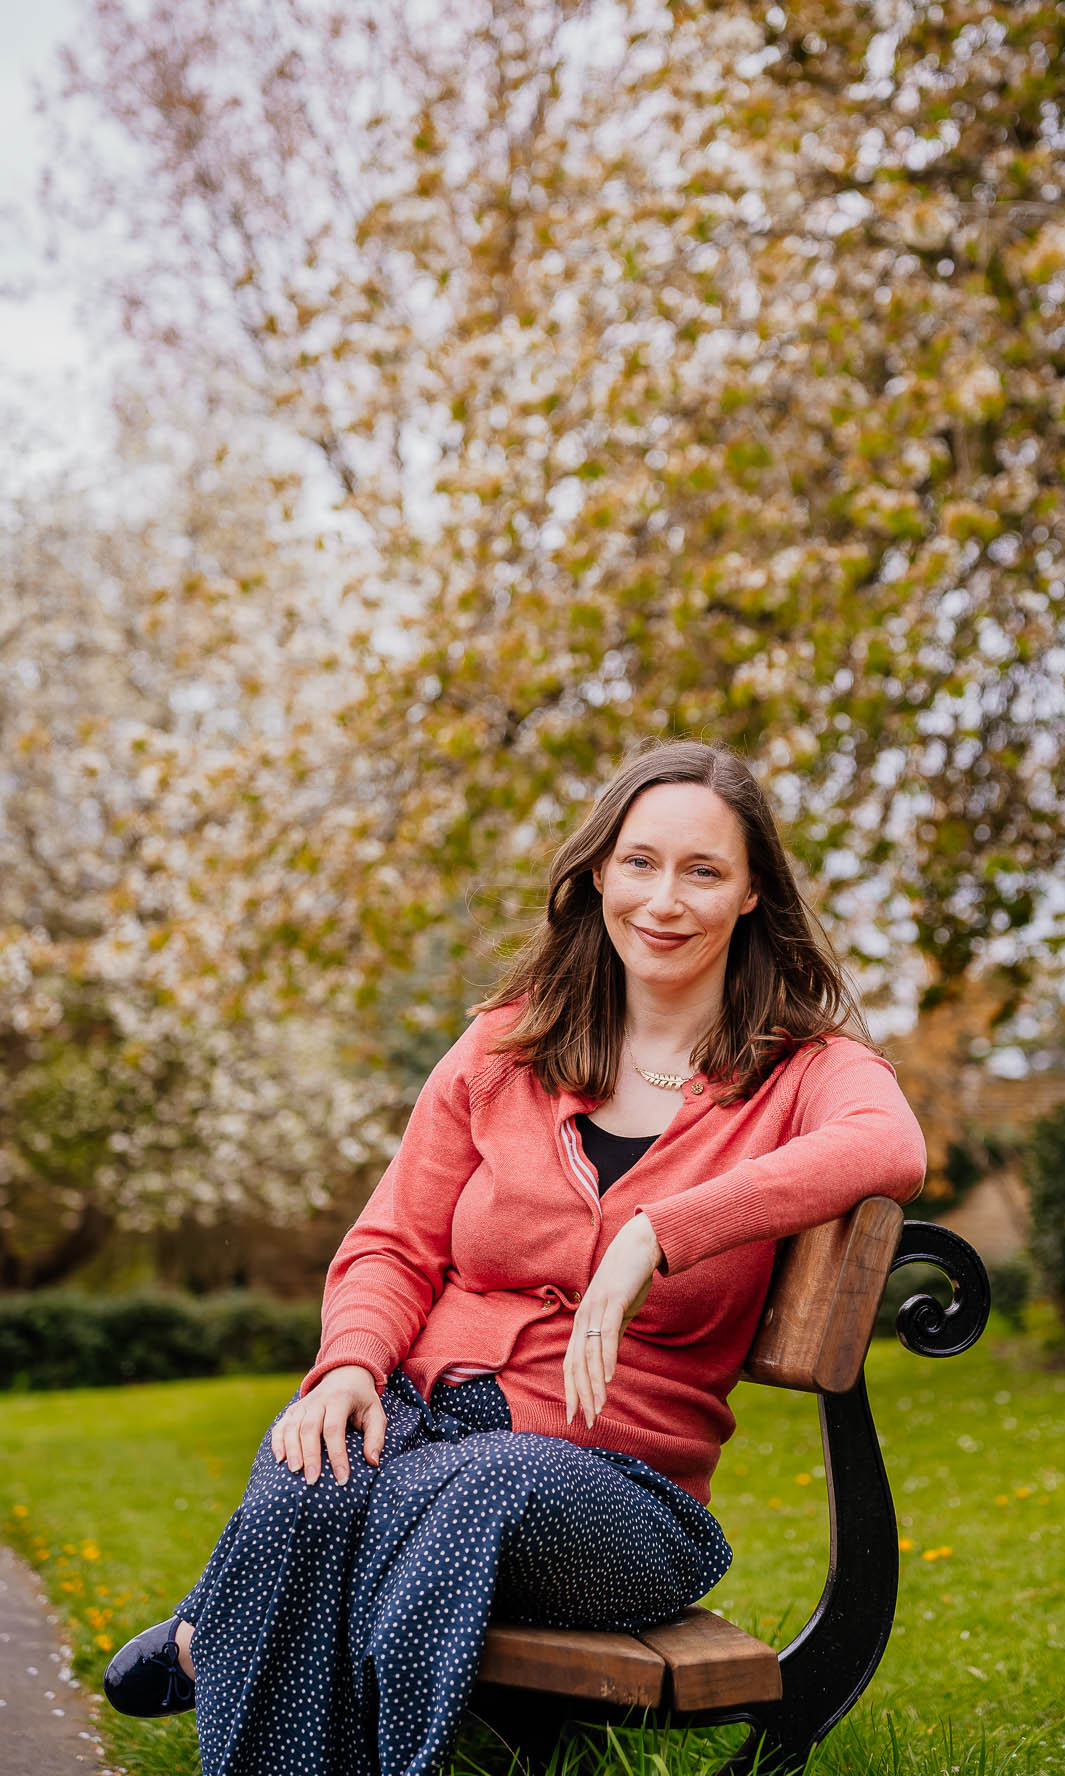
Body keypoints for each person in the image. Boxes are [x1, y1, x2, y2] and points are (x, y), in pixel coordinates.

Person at [103, 739, 927, 1776]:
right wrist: (354, 1364)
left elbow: (890, 1146)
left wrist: (656, 1231)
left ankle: (208, 1630)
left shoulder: (803, 1068)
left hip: (614, 1493)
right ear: (595, 873)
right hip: (421, 1412)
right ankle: (234, 1650)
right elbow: (394, 1241)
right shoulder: (504, 1047)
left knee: (457, 1488)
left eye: (702, 869)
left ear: (754, 891)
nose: (663, 899)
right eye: (639, 861)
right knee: (311, 1465)